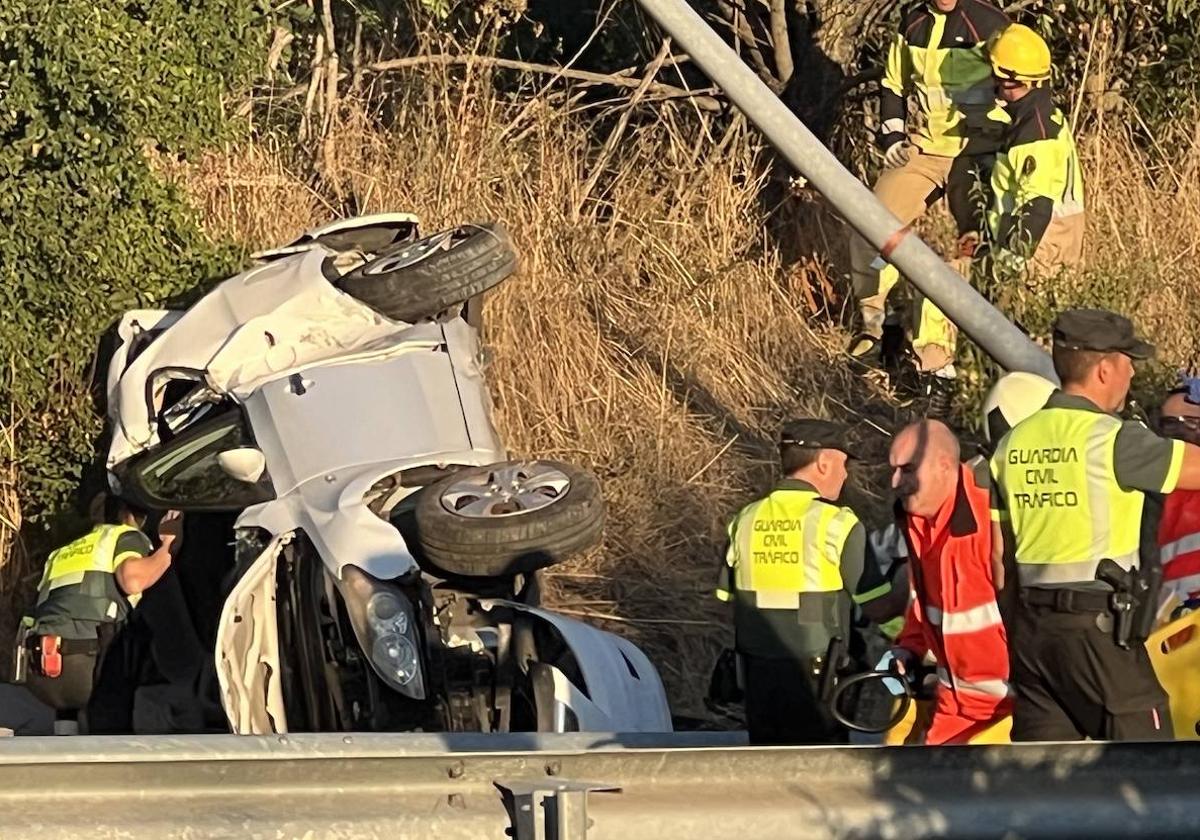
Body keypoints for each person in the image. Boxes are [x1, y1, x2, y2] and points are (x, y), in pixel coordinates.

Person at [990, 308, 1200, 741]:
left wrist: (1021, 639)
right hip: (1098, 630)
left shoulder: (1012, 444)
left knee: (1047, 776)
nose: (1131, 376)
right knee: (1149, 768)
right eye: (1129, 363)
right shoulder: (1112, 438)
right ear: (1105, 369)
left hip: (1033, 638)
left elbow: (999, 560)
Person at [848, 0, 1010, 409]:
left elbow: (1020, 88)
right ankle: (874, 328)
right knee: (871, 223)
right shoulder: (912, 20)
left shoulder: (989, 22)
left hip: (979, 150)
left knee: (968, 248)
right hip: (925, 148)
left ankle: (938, 364)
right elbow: (892, 83)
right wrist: (893, 137)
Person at [716, 419, 877, 744]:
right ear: (823, 462)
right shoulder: (838, 524)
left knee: (767, 774)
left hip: (758, 680)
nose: (845, 475)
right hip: (821, 683)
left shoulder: (745, 520)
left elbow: (724, 595)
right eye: (844, 465)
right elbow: (876, 603)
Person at [885, 420, 1011, 744]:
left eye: (908, 469)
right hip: (956, 709)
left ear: (944, 465)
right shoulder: (917, 525)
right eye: (894, 470)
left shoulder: (990, 517)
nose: (895, 481)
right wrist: (907, 650)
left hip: (1012, 712)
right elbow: (924, 607)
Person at [19, 494, 180, 729]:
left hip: (41, 671)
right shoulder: (124, 535)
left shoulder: (64, 551)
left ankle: (67, 737)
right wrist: (168, 547)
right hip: (89, 664)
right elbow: (132, 580)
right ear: (130, 514)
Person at [973, 24, 1085, 278]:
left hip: (1038, 252)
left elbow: (1036, 209)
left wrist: (1008, 268)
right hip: (1049, 242)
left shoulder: (1033, 133)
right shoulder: (1037, 112)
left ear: (1007, 77)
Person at [1156, 377, 1200, 608]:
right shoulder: (1152, 487)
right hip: (1173, 624)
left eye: (1186, 423)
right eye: (1168, 424)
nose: (1174, 433)